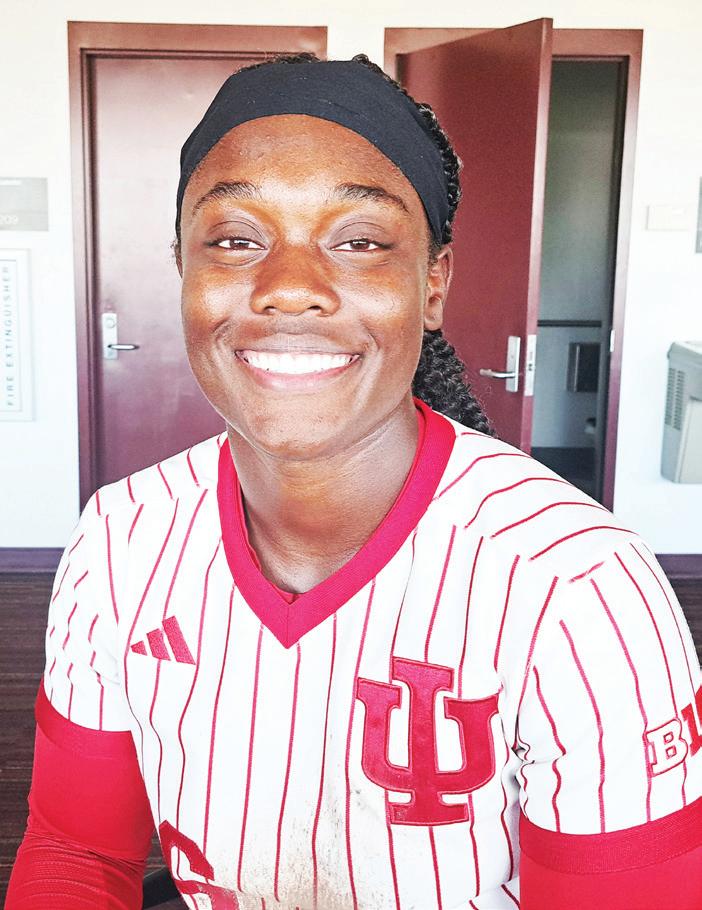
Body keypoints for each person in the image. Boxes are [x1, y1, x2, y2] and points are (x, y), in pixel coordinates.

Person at [6, 53, 702, 910]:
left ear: (433, 284)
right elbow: (77, 853)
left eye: (361, 241)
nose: (290, 290)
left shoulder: (578, 583)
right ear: (183, 268)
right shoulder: (120, 538)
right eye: (235, 240)